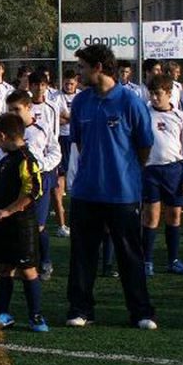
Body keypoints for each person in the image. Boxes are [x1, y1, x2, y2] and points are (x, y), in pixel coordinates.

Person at [66, 44, 157, 330]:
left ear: (98, 68)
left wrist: (125, 171)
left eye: (82, 67)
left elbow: (144, 146)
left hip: (122, 193)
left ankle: (141, 312)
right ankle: (81, 309)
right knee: (82, 255)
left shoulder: (130, 102)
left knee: (130, 254)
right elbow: (81, 143)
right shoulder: (80, 102)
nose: (78, 73)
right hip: (86, 192)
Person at [0, 113, 49, 333]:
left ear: (3, 136)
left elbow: (33, 191)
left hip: (22, 224)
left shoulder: (26, 159)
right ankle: (3, 313)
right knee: (4, 268)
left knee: (28, 269)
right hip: (3, 224)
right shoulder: (5, 161)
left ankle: (36, 316)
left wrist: (8, 211)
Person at [141, 74, 183, 277]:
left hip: (174, 170)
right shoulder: (144, 114)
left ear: (169, 93)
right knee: (151, 215)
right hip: (150, 170)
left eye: (158, 94)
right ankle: (146, 261)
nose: (154, 98)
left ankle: (173, 260)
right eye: (152, 94)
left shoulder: (181, 116)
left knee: (174, 215)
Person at [23, 72, 63, 280]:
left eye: (43, 85)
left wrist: (48, 165)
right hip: (24, 173)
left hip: (45, 169)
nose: (39, 88)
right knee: (24, 220)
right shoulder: (23, 107)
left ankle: (45, 261)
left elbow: (53, 137)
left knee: (40, 222)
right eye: (36, 84)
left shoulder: (52, 107)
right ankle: (27, 261)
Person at [50, 70, 78, 238]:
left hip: (76, 140)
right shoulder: (56, 97)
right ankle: (61, 221)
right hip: (60, 139)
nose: (68, 86)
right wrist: (71, 118)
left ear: (76, 83)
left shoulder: (81, 96)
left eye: (71, 83)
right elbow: (55, 119)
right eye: (66, 83)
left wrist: (66, 117)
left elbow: (80, 118)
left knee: (76, 178)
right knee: (59, 180)